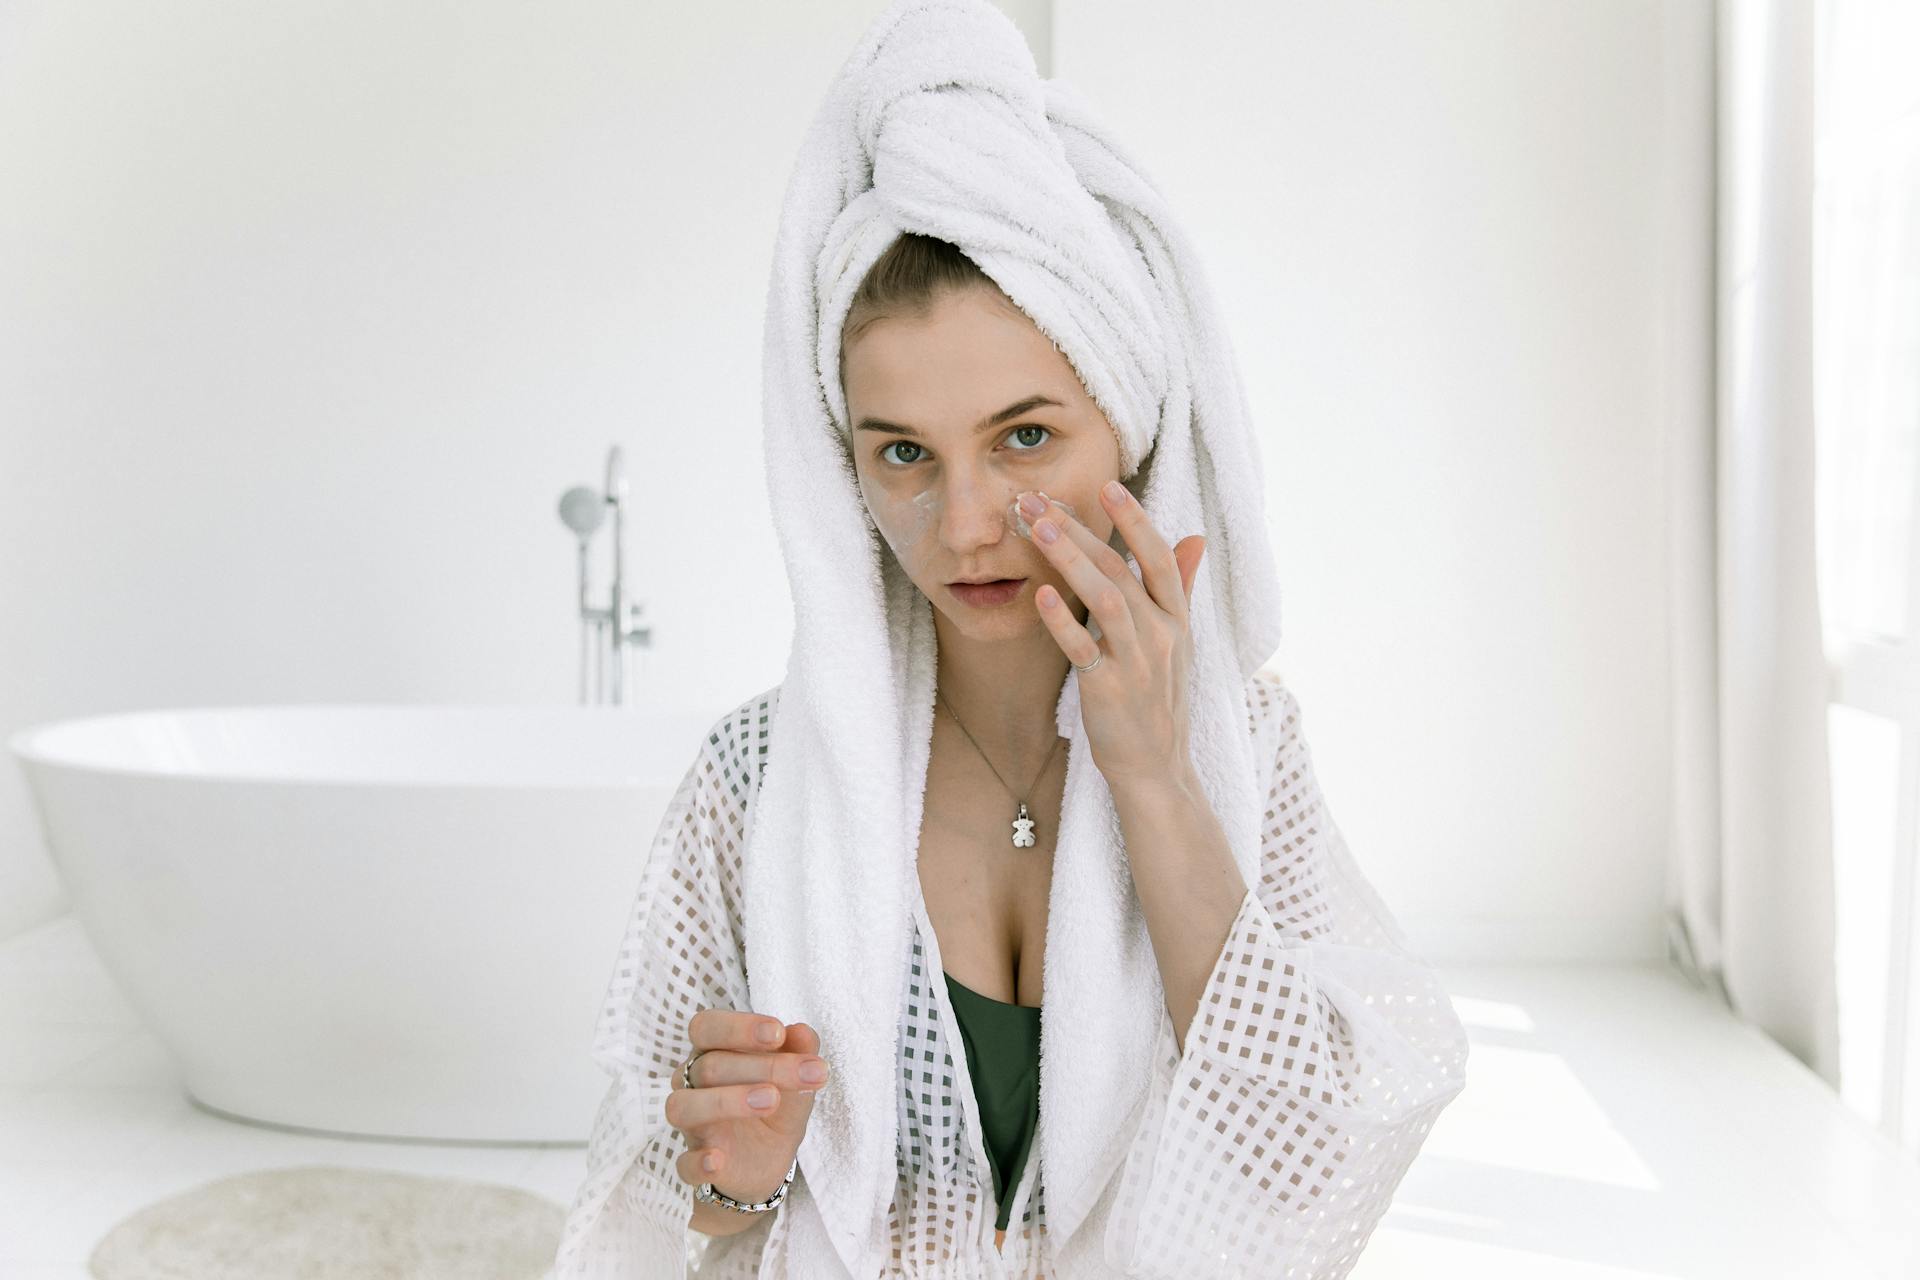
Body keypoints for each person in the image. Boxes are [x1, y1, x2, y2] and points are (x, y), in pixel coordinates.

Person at [551, 4, 1469, 1278]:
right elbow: (644, 1232)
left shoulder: (1244, 751)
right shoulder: (755, 787)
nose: (964, 523)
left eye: (1026, 436)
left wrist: (1152, 774)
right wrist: (740, 1188)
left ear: (1131, 435)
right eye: (903, 454)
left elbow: (1315, 1161)